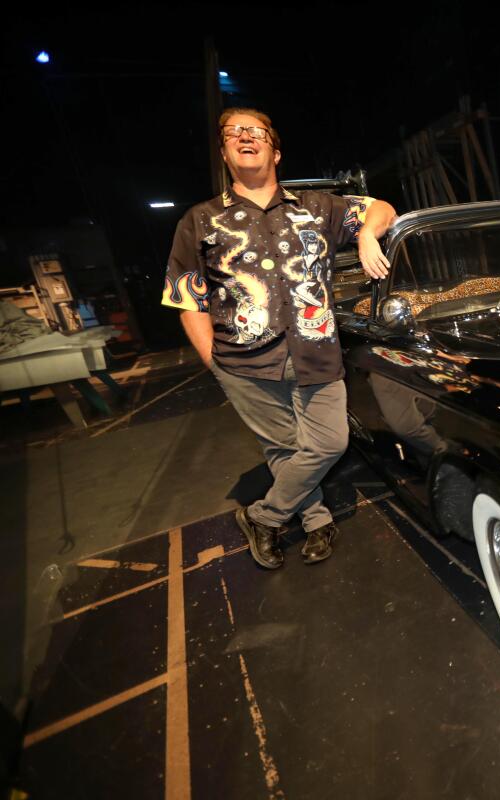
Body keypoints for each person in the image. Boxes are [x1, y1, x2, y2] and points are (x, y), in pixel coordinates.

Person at [162, 107, 396, 568]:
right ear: (225, 154)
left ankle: (263, 516)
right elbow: (186, 298)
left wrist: (367, 233)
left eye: (256, 131)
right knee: (283, 449)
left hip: (317, 354)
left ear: (276, 149)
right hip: (243, 363)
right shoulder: (200, 220)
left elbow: (383, 208)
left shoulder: (318, 207)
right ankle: (315, 521)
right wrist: (215, 361)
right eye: (234, 133)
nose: (245, 137)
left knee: (330, 443)